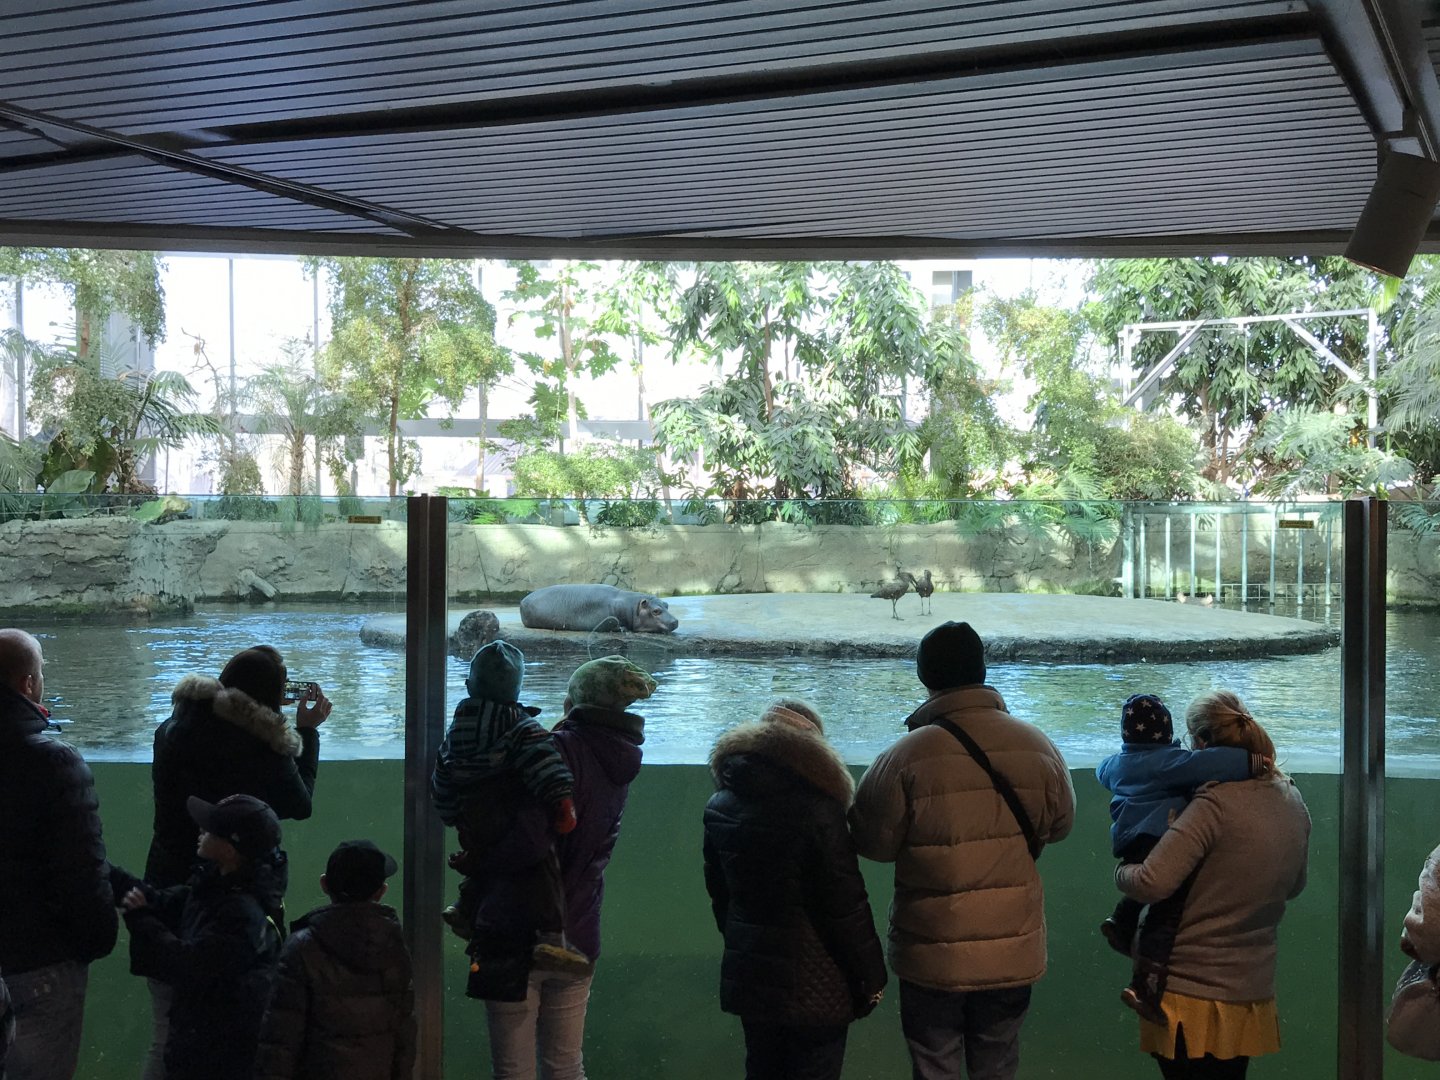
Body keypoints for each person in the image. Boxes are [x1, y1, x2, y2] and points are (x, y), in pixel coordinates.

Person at [849, 620, 1075, 1080]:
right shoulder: (1037, 744)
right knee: (998, 1063)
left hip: (932, 951)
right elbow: (1061, 825)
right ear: (983, 670)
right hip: (1013, 946)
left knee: (934, 1066)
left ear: (924, 676)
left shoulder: (904, 756)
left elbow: (872, 843)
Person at [139, 644, 331, 1080]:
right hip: (229, 906)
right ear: (269, 697)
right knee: (233, 1036)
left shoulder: (171, 728)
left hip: (167, 890)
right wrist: (306, 732)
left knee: (166, 1031)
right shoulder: (258, 745)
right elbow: (299, 803)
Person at [1115, 690, 1310, 1080]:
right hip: (1249, 989)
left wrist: (1122, 872)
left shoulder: (1212, 805)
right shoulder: (1291, 798)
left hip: (1189, 992)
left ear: (1201, 744)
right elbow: (1294, 885)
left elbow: (1151, 882)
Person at [484, 654, 656, 1080]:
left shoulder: (556, 750)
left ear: (575, 699)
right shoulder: (621, 756)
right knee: (565, 1065)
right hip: (579, 930)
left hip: (520, 930)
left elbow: (526, 842)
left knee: (512, 1069)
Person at [703, 700, 888, 1080]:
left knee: (762, 1068)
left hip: (752, 976)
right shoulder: (819, 810)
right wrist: (871, 977)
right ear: (814, 749)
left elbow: (720, 895)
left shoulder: (720, 803)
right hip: (815, 979)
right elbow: (845, 905)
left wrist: (745, 945)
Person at [1096, 693, 1263, 1023]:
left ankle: (1122, 920)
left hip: (1129, 841)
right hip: (1159, 836)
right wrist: (1255, 763)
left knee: (1147, 887)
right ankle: (1145, 986)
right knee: (1167, 908)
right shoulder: (1170, 763)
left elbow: (1102, 773)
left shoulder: (1115, 764)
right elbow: (1213, 763)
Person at [0, 628, 117, 1080]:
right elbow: (80, 870)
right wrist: (95, 940)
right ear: (28, 683)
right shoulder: (52, 759)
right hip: (41, 962)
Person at [431, 640, 585, 980]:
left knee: (485, 862)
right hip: (509, 818)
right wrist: (563, 802)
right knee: (542, 867)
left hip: (473, 819)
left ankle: (463, 908)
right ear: (518, 690)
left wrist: (450, 813)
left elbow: (442, 772)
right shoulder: (522, 728)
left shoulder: (457, 729)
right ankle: (551, 941)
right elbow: (546, 765)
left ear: (469, 685)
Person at [115, 795, 288, 1080]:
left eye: (209, 831)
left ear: (231, 850)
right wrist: (106, 871)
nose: (200, 832)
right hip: (205, 1037)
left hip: (219, 1050)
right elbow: (160, 900)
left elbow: (190, 964)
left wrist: (140, 919)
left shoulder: (241, 912)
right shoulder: (220, 884)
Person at [254, 839, 416, 1080]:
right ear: (381, 891)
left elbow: (281, 1039)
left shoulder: (301, 947)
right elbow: (405, 1036)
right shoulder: (394, 947)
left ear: (324, 884)